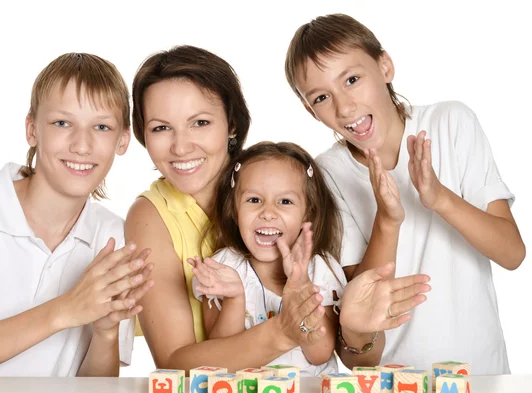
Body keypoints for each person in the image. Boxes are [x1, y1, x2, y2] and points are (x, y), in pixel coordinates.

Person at [126, 45, 430, 373]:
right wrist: (283, 329)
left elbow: (355, 349)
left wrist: (353, 328)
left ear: (231, 124)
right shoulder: (152, 217)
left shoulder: (293, 182)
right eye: (160, 127)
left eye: (200, 122)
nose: (181, 146)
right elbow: (175, 365)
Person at [284, 13, 526, 374]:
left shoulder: (450, 123)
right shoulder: (327, 174)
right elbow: (361, 316)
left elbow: (512, 254)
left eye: (352, 79)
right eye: (321, 97)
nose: (345, 107)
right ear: (309, 109)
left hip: (481, 375)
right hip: (390, 385)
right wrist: (388, 218)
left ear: (385, 66)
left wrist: (440, 198)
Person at [0, 53, 153, 377]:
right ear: (32, 129)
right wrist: (65, 310)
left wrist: (105, 332)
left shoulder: (113, 237)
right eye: (62, 123)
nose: (81, 145)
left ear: (122, 140)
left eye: (101, 127)